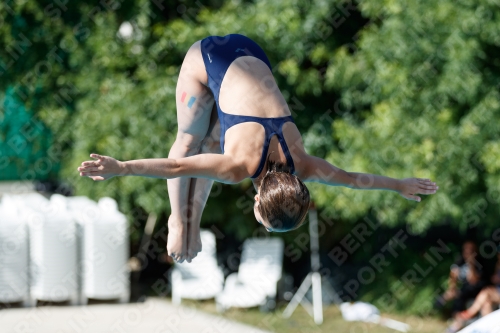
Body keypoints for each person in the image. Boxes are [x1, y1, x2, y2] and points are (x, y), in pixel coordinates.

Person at [76, 34, 439, 263]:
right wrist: (120, 168)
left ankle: (191, 223)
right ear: (256, 202)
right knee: (189, 143)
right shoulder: (240, 167)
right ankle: (179, 220)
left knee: (214, 143)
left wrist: (399, 184)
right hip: (205, 58)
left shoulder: (305, 165)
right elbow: (174, 166)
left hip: (251, 49)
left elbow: (350, 179)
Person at [446, 245, 500, 332]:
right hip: (467, 292)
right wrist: (452, 287)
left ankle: (469, 313)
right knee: (486, 304)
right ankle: (490, 330)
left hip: (477, 292)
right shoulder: (460, 260)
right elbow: (453, 276)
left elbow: (473, 280)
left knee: (486, 292)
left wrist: (471, 263)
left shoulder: (479, 262)